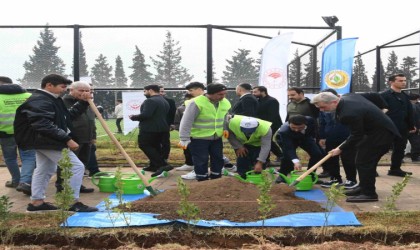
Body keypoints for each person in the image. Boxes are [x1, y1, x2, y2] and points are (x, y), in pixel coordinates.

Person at [13, 74, 98, 212]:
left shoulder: (51, 99)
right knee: (76, 167)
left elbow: (66, 118)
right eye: (62, 87)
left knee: (44, 169)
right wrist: (67, 139)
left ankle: (37, 202)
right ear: (49, 85)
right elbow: (42, 124)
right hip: (46, 140)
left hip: (43, 141)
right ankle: (71, 202)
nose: (65, 90)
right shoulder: (41, 100)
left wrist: (82, 103)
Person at [311, 92, 400, 202]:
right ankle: (362, 187)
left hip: (380, 135)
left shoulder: (348, 113)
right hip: (373, 133)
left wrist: (340, 148)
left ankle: (369, 194)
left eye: (323, 107)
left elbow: (356, 135)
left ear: (334, 102)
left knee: (364, 163)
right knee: (360, 160)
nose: (321, 110)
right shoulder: (348, 97)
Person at [179, 83, 231, 181]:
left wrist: (225, 128)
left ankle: (216, 178)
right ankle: (202, 180)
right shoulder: (197, 103)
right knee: (201, 160)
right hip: (199, 139)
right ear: (210, 94)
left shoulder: (224, 102)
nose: (223, 96)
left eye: (224, 94)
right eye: (220, 94)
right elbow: (186, 121)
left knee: (217, 158)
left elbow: (224, 117)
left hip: (216, 137)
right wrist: (184, 138)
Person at [55, 81, 96, 193]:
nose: (84, 93)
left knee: (82, 163)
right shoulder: (64, 102)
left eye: (87, 90)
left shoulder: (88, 103)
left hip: (86, 138)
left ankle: (77, 184)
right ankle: (62, 187)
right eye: (81, 90)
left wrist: (93, 135)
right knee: (68, 163)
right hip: (72, 138)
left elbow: (91, 121)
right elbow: (67, 118)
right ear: (71, 90)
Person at [0, 76, 36, 195]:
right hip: (27, 132)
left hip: (6, 134)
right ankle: (25, 182)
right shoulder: (28, 96)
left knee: (10, 157)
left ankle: (16, 180)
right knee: (29, 157)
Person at [317, 89, 358, 190]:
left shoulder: (346, 107)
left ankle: (351, 180)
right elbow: (322, 122)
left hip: (346, 136)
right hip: (330, 136)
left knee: (348, 159)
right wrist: (322, 136)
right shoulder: (323, 109)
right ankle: (335, 178)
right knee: (331, 158)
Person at [129, 84, 173, 177]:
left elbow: (146, 115)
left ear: (150, 90)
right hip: (161, 128)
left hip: (150, 129)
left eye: (145, 91)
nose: (144, 93)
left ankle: (162, 164)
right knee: (155, 146)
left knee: (144, 144)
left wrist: (133, 117)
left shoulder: (150, 101)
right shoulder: (163, 100)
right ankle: (154, 165)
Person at [380, 73, 416, 177]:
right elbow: (378, 112)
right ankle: (371, 168)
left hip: (402, 128)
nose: (403, 82)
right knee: (383, 148)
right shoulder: (384, 95)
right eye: (400, 81)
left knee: (400, 149)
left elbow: (409, 112)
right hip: (388, 127)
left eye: (404, 80)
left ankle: (395, 169)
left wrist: (411, 125)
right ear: (391, 82)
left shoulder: (405, 96)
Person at [275, 115, 323, 180]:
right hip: (288, 139)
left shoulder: (311, 120)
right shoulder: (284, 131)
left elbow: (315, 130)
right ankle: (282, 176)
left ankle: (310, 176)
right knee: (287, 156)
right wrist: (296, 161)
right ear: (289, 124)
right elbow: (289, 148)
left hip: (305, 137)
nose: (296, 130)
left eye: (300, 127)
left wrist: (316, 139)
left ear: (305, 124)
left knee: (317, 154)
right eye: (293, 127)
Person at [252, 86, 283, 163]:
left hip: (272, 124)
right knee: (265, 141)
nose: (253, 94)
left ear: (263, 92)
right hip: (263, 124)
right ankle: (267, 159)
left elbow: (273, 115)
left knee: (267, 140)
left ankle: (281, 156)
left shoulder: (272, 101)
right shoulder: (258, 100)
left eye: (255, 92)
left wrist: (267, 125)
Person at [173, 93, 194, 171]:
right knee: (187, 150)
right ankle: (189, 164)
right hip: (186, 134)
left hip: (199, 134)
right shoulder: (181, 109)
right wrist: (182, 131)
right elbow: (177, 122)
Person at [159, 85, 176, 162]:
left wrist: (172, 124)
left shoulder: (170, 101)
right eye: (160, 91)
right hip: (153, 126)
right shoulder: (149, 101)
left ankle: (165, 158)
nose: (162, 93)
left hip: (165, 125)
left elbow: (173, 113)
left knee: (165, 142)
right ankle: (155, 158)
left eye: (163, 91)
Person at [408, 93, 420, 162]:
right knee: (416, 143)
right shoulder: (416, 106)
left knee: (400, 144)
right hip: (414, 128)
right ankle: (415, 157)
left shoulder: (404, 105)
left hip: (405, 127)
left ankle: (399, 158)